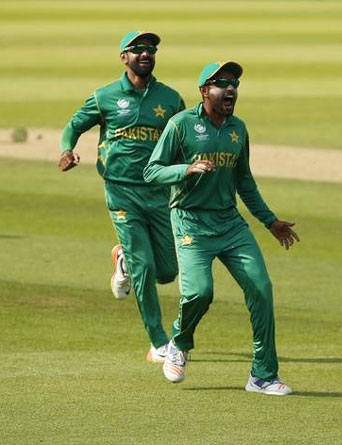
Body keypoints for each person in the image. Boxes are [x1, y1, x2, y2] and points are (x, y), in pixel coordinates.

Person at [144, 61, 299, 395]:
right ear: (204, 91)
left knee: (261, 288)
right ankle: (180, 342)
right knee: (200, 292)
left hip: (230, 224)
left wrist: (270, 221)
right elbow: (152, 171)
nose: (231, 89)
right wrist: (185, 169)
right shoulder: (180, 125)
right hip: (190, 221)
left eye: (234, 84)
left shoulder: (238, 129)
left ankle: (263, 375)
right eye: (222, 83)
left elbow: (245, 181)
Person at [59, 30, 185, 363]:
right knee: (145, 266)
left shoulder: (171, 99)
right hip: (120, 191)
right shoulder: (105, 96)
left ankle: (122, 260)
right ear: (124, 57)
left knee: (168, 272)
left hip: (159, 193)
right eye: (138, 49)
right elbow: (74, 125)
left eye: (151, 49)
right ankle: (159, 342)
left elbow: (183, 142)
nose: (146, 53)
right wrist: (66, 150)